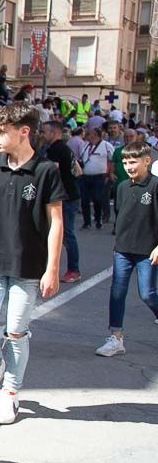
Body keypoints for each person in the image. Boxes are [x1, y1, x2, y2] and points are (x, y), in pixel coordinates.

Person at [0, 104, 65, 425]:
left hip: (29, 267)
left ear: (23, 131)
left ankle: (10, 393)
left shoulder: (46, 170)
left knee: (16, 332)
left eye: (0, 131)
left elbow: (56, 222)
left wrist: (52, 268)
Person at [93, 141, 158, 357]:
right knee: (117, 292)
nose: (129, 166)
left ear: (147, 161)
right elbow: (121, 215)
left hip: (148, 250)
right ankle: (116, 338)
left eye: (134, 162)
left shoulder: (155, 186)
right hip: (123, 249)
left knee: (147, 293)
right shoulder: (121, 187)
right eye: (125, 162)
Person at [40, 120, 81, 283]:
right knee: (59, 232)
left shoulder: (56, 149)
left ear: (54, 132)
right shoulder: (64, 148)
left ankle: (73, 269)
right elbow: (78, 170)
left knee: (66, 233)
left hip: (65, 197)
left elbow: (51, 171)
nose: (42, 135)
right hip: (69, 194)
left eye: (44, 132)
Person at [79, 125, 112, 229]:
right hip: (85, 176)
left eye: (92, 134)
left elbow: (112, 160)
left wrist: (109, 173)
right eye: (89, 134)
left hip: (99, 177)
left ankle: (98, 219)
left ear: (98, 135)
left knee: (97, 199)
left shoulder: (106, 145)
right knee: (84, 200)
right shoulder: (85, 146)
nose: (90, 136)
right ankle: (87, 222)